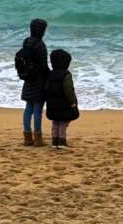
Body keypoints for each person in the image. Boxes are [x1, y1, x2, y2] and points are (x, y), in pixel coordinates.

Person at [19, 18, 49, 147]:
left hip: (28, 79)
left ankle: (27, 137)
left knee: (28, 108)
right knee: (38, 110)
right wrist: (51, 76)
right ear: (42, 31)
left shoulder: (27, 41)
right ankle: (38, 138)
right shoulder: (40, 45)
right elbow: (43, 66)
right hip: (39, 81)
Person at [45, 48, 79, 148]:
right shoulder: (66, 75)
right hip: (64, 104)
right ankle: (62, 142)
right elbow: (69, 90)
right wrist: (73, 102)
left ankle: (54, 141)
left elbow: (46, 88)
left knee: (55, 122)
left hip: (52, 104)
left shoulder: (49, 74)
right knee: (63, 123)